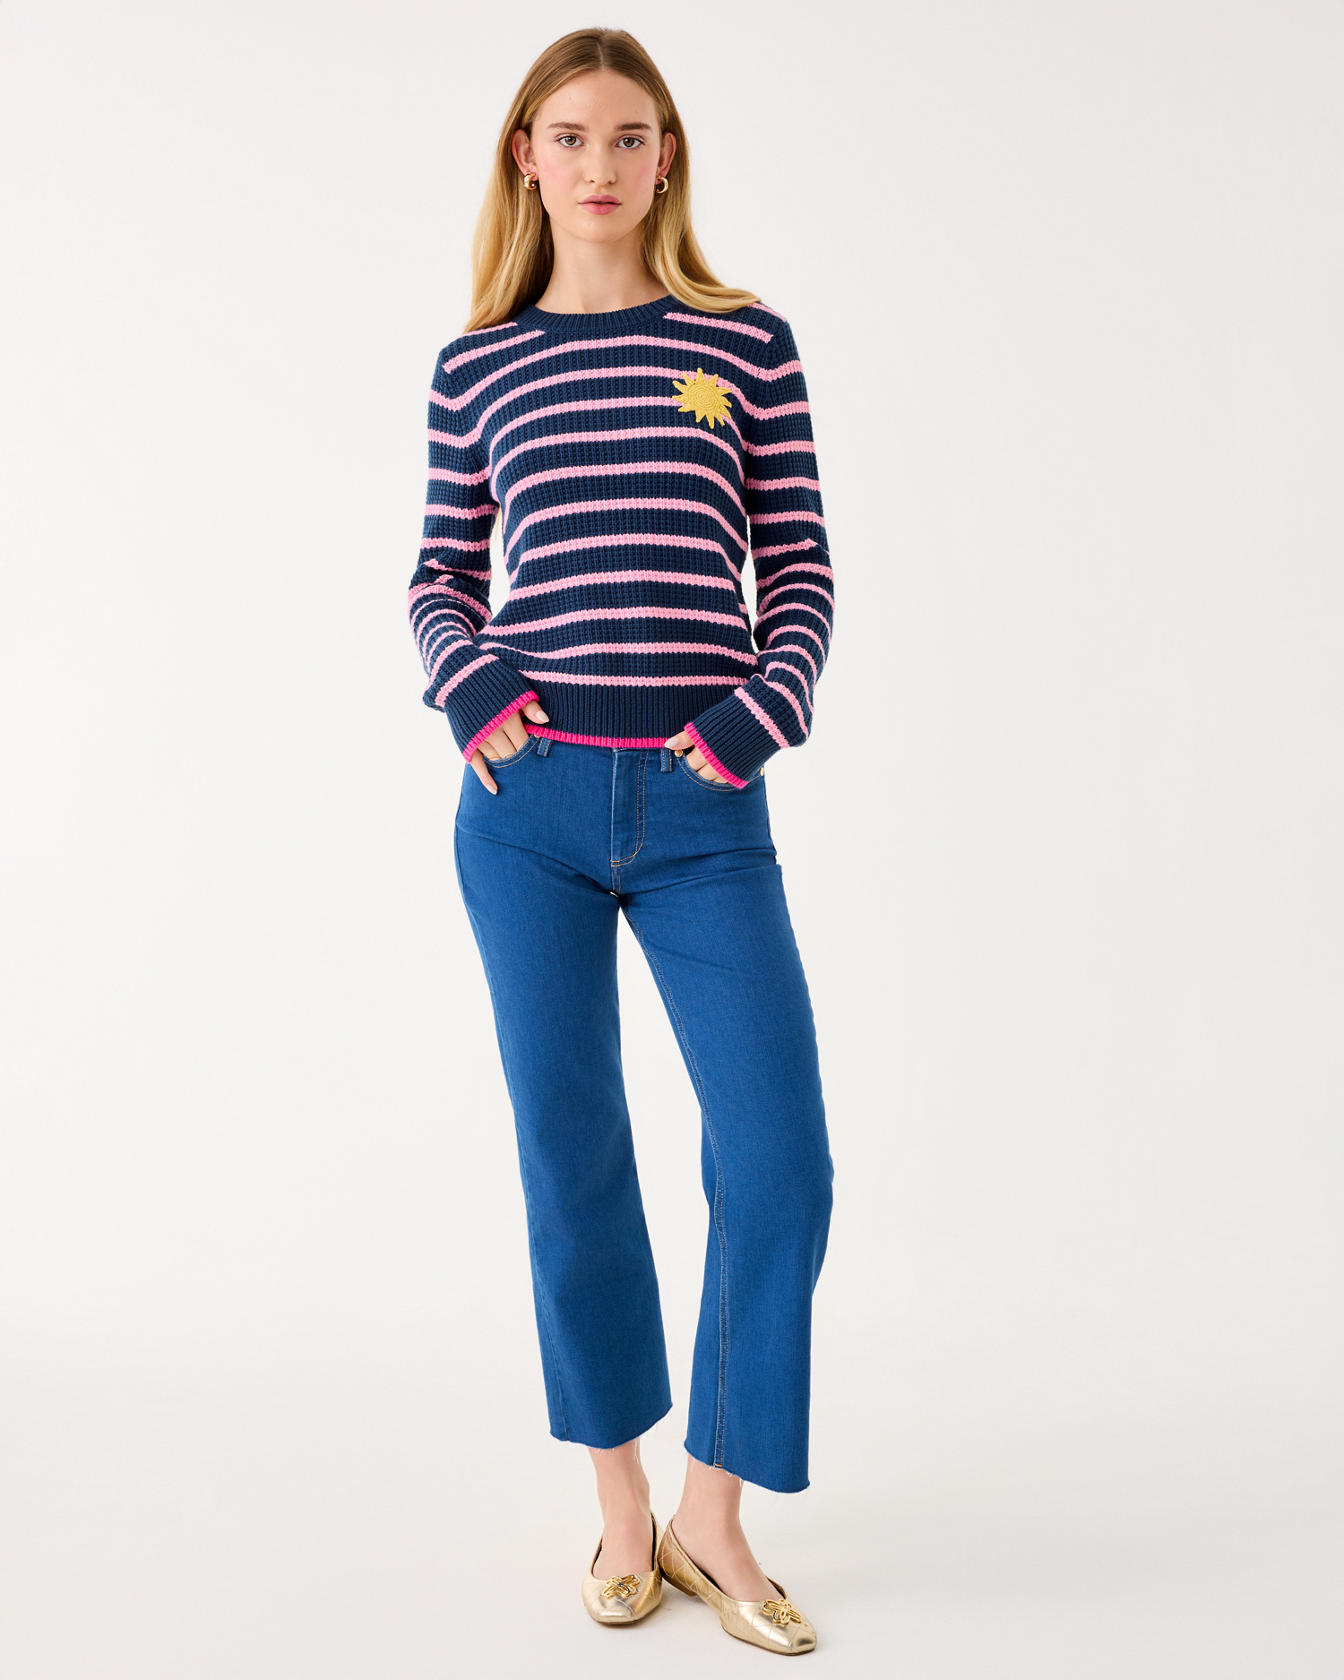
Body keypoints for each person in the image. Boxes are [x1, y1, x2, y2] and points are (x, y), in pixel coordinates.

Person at [406, 26, 836, 1657]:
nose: (602, 162)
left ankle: (713, 1517)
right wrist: (471, 684)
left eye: (631, 135)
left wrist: (756, 715)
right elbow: (440, 574)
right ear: (527, 157)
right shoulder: (476, 366)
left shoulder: (746, 343)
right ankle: (618, 1508)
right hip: (525, 813)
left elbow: (801, 566)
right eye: (572, 135)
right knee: (572, 1157)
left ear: (667, 160)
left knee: (779, 1161)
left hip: (705, 806)